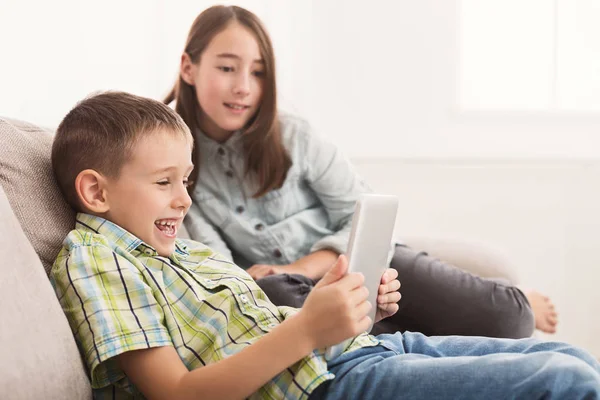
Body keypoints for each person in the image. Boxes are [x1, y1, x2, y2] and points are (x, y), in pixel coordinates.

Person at [50, 91, 599, 399]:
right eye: (164, 182)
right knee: (566, 382)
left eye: (186, 182)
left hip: (360, 351)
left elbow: (267, 325)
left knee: (574, 359)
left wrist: (348, 310)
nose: (183, 201)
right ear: (96, 190)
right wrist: (308, 329)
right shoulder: (96, 257)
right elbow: (175, 394)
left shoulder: (184, 254)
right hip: (327, 384)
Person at [164, 5, 557, 338]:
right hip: (292, 294)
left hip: (364, 263)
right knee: (275, 295)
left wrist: (301, 266)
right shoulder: (173, 158)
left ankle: (511, 298)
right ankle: (388, 337)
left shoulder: (293, 135)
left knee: (510, 320)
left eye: (259, 72)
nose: (244, 87)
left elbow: (363, 216)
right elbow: (212, 263)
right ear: (188, 68)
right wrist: (274, 277)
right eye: (228, 68)